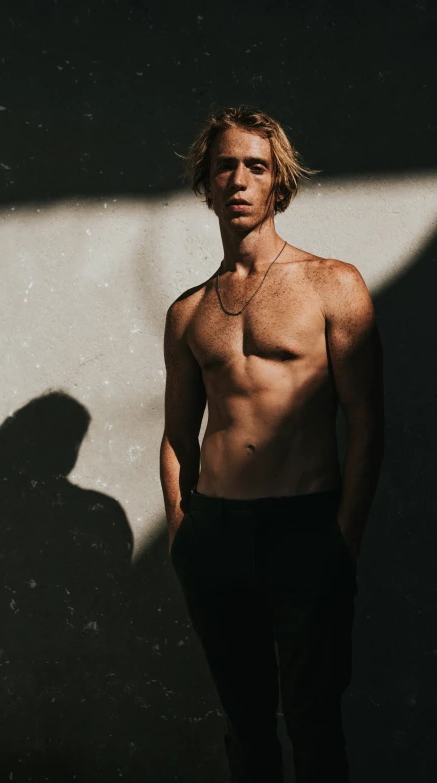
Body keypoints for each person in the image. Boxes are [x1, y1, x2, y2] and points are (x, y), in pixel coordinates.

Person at [159, 106, 384, 783]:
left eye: (255, 166)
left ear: (277, 181)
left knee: (315, 724)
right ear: (207, 181)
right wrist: (181, 534)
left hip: (305, 526)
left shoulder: (332, 285)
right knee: (247, 727)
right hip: (217, 535)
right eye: (224, 165)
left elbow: (367, 420)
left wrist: (343, 536)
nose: (238, 179)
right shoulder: (189, 311)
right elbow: (176, 437)